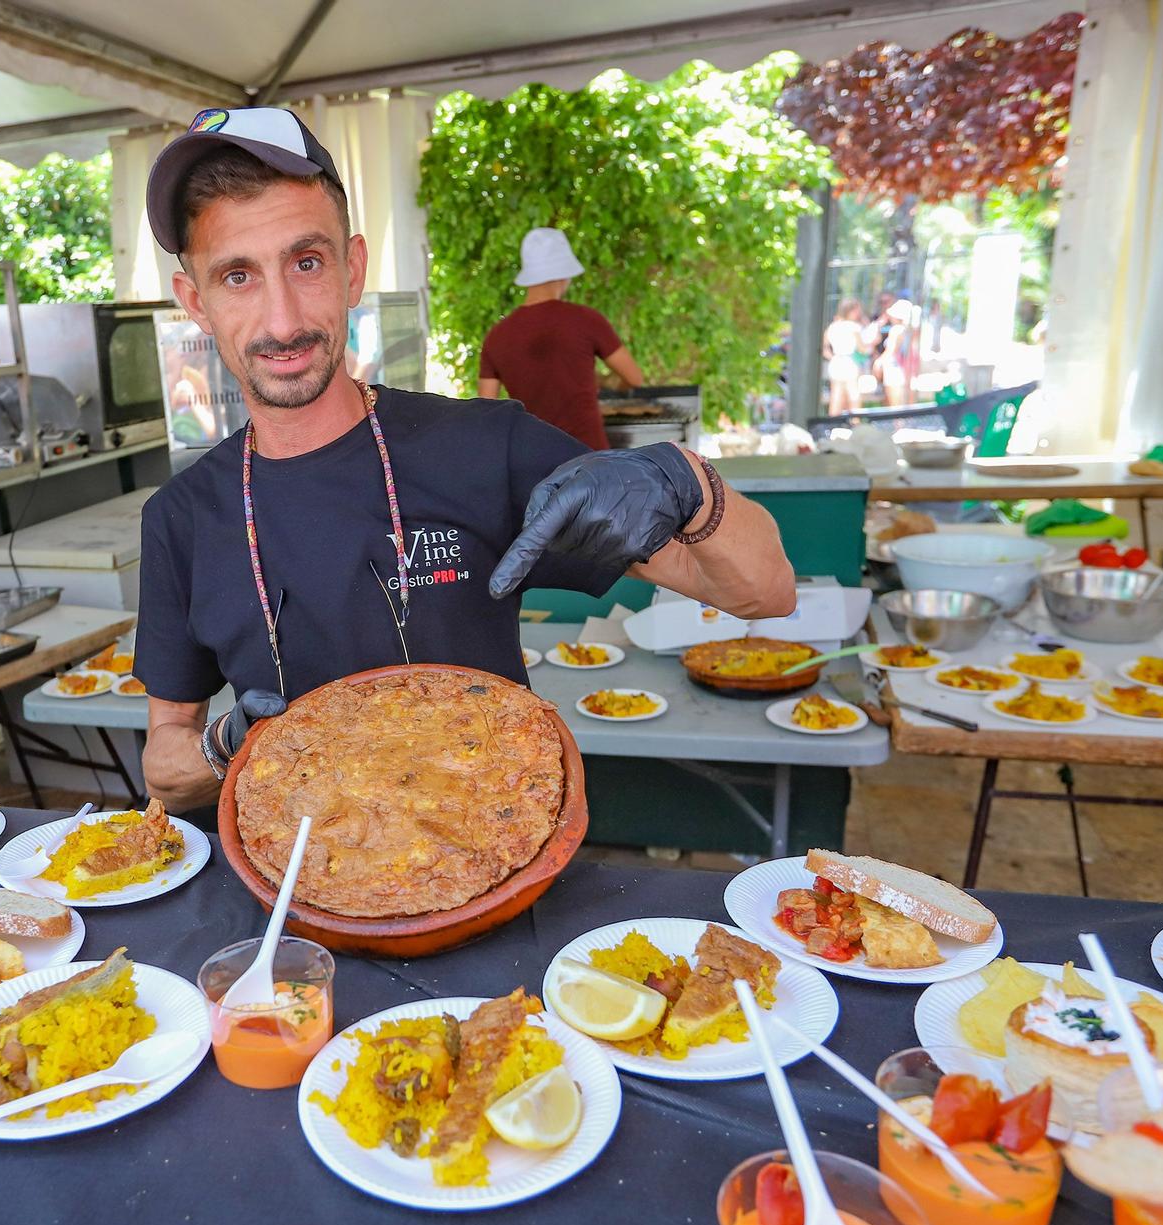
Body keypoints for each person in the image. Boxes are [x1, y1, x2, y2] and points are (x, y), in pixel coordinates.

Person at [132, 107, 796, 810]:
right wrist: (224, 742)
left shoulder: (486, 446)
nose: (283, 319)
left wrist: (685, 484)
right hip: (291, 886)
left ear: (352, 270)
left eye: (307, 262)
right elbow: (165, 765)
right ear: (194, 302)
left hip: (495, 858)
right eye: (238, 276)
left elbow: (765, 593)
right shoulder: (182, 518)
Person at [476, 228, 645, 450]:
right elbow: (634, 377)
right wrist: (611, 384)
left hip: (531, 461)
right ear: (564, 275)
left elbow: (487, 411)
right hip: (588, 459)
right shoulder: (586, 319)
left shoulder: (496, 336)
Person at [824, 297, 865, 415]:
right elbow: (862, 349)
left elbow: (824, 347)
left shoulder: (833, 326)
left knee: (836, 394)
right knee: (853, 393)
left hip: (836, 361)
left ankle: (832, 424)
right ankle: (855, 422)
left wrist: (833, 357)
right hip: (849, 361)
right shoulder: (854, 327)